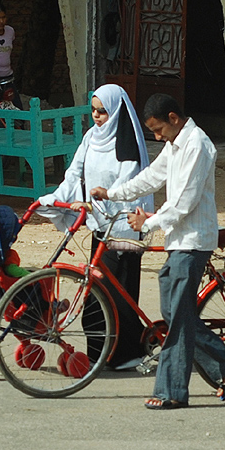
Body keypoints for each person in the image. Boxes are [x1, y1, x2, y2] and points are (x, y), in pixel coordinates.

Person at [91, 93, 225, 410]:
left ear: (174, 118)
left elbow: (184, 203)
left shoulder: (197, 145)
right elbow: (151, 177)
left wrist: (148, 223)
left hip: (193, 240)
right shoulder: (175, 144)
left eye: (159, 129)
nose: (157, 136)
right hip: (179, 239)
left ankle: (172, 391)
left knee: (177, 320)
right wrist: (113, 193)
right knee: (176, 315)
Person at [37, 84, 154, 370]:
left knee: (118, 295)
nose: (97, 116)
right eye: (94, 110)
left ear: (115, 111)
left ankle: (126, 354)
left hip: (123, 228)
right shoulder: (91, 138)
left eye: (103, 111)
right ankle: (100, 353)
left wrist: (96, 203)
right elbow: (74, 174)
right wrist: (58, 200)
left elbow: (127, 187)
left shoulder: (127, 145)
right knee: (97, 293)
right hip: (99, 228)